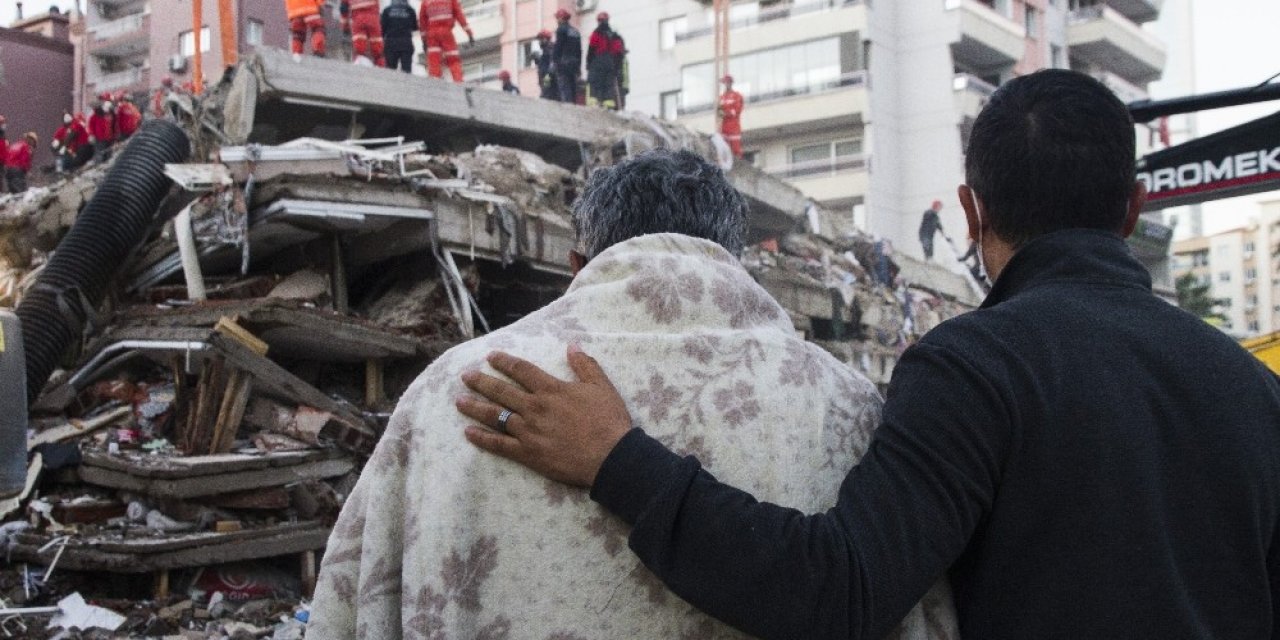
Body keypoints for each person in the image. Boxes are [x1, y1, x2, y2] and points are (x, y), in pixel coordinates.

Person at [457, 69, 1280, 639]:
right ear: (1134, 207)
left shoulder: (979, 368)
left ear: (970, 211)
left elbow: (840, 591)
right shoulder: (1254, 388)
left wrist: (618, 461)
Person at [309, 149, 957, 639]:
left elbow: (348, 604)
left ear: (577, 262)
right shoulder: (846, 404)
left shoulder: (459, 388)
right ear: (735, 257)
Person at [419, 0, 473, 82]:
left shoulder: (426, 2)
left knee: (434, 59)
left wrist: (424, 40)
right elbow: (459, 16)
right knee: (453, 59)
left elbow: (422, 22)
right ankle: (458, 80)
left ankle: (434, 80)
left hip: (432, 35)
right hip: (446, 33)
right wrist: (469, 34)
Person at [585, 12, 618, 109]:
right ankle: (608, 104)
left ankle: (594, 102)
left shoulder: (596, 32)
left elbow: (591, 48)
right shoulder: (613, 34)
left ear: (599, 21)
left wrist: (588, 62)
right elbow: (617, 51)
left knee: (595, 81)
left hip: (598, 60)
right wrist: (616, 66)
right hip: (610, 62)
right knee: (608, 83)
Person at [551, 8, 581, 104]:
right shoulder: (575, 31)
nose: (557, 20)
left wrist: (555, 60)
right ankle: (573, 104)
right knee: (573, 86)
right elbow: (579, 51)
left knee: (564, 86)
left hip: (564, 62)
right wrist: (578, 66)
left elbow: (558, 46)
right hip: (574, 63)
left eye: (557, 18)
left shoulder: (561, 30)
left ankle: (567, 105)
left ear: (561, 18)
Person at [341, 0, 384, 66]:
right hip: (373, 20)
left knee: (359, 48)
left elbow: (343, 9)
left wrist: (345, 28)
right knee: (377, 49)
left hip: (358, 20)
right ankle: (380, 66)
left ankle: (360, 64)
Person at [380, 0, 417, 73]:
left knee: (390, 72)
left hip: (391, 44)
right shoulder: (410, 10)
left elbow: (382, 29)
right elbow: (414, 27)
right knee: (406, 72)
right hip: (406, 43)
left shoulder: (387, 10)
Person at [717, 75, 744, 158]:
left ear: (730, 83)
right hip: (724, 128)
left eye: (726, 82)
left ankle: (739, 163)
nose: (725, 85)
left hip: (734, 127)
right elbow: (719, 110)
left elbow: (737, 110)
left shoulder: (737, 96)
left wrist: (726, 113)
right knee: (725, 150)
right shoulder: (721, 97)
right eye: (724, 83)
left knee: (736, 150)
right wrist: (721, 112)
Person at [87, 96, 116, 163]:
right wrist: (91, 134)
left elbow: (114, 126)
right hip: (99, 138)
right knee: (99, 154)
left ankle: (107, 165)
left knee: (108, 154)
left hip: (109, 138)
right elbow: (91, 125)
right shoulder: (95, 115)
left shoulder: (111, 115)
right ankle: (98, 165)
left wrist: (115, 136)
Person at [534, 29, 558, 100]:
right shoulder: (545, 50)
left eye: (540, 39)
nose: (539, 42)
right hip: (545, 78)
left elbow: (552, 64)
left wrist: (547, 78)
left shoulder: (550, 48)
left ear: (545, 39)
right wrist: (537, 60)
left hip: (548, 79)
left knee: (546, 96)